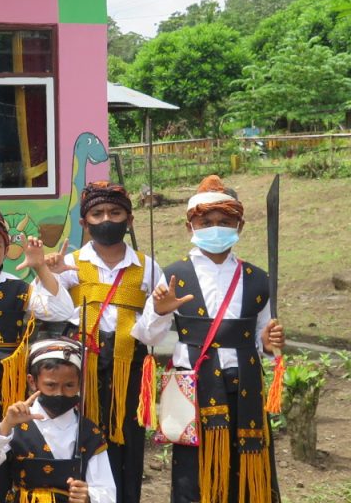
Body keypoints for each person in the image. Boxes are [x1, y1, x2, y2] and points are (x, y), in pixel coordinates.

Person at [143, 175, 283, 503]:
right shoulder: (175, 274)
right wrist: (161, 311)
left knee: (249, 460)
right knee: (193, 469)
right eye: (206, 222)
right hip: (195, 385)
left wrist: (268, 341)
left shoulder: (258, 279)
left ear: (240, 226)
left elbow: (266, 341)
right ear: (190, 227)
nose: (215, 228)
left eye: (225, 221)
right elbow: (148, 336)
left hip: (245, 383)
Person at [36, 181, 165, 503]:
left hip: (129, 366)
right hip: (80, 370)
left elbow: (152, 333)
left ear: (129, 219)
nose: (106, 219)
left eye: (115, 212)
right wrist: (46, 273)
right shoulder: (69, 263)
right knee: (79, 439)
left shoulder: (148, 267)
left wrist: (161, 312)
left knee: (128, 444)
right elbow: (43, 309)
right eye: (97, 213)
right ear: (84, 222)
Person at [0, 205, 75, 503]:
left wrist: (41, 269)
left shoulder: (19, 288)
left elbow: (62, 310)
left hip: (12, 390)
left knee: (13, 456)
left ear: (7, 250)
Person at [0, 338, 116, 503]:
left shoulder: (89, 433)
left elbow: (108, 494)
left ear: (80, 385)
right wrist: (6, 426)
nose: (59, 393)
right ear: (32, 382)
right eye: (51, 386)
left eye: (69, 386)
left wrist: (89, 496)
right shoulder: (16, 424)